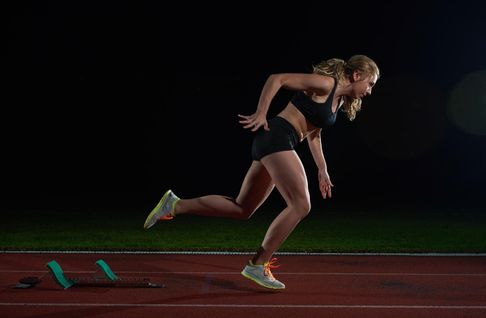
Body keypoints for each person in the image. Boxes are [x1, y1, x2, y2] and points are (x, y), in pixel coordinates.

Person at [143, 55, 380, 290]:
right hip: (277, 136)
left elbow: (314, 134)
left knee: (242, 208)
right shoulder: (327, 84)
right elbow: (277, 79)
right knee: (301, 204)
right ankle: (258, 264)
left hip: (275, 142)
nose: (369, 91)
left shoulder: (337, 101)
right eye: (370, 84)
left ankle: (174, 205)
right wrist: (261, 113)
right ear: (357, 75)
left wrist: (322, 169)